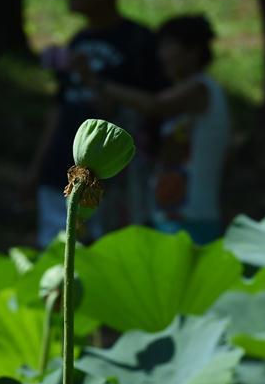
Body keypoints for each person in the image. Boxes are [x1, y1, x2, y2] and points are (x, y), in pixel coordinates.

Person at [24, 0, 166, 247]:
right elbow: (59, 107)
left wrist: (95, 81)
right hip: (59, 168)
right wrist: (37, 167)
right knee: (55, 253)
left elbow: (150, 106)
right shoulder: (78, 40)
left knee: (103, 253)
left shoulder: (138, 41)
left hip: (113, 176)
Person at [79, 15, 230, 244]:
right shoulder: (182, 91)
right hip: (170, 211)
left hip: (194, 214)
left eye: (170, 46)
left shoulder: (202, 89)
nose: (162, 55)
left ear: (193, 51)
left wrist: (97, 82)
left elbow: (155, 105)